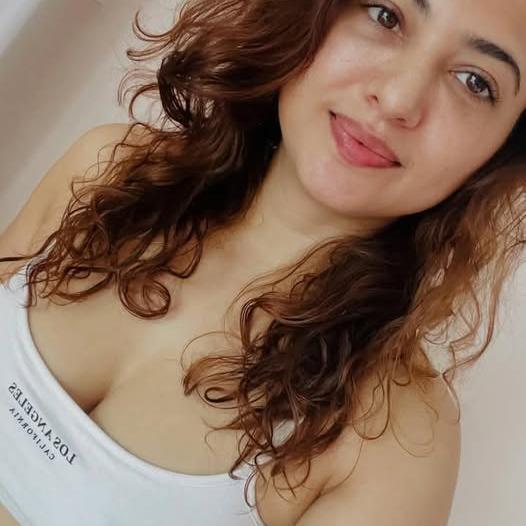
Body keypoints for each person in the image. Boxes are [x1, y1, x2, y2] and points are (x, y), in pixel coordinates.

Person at [0, 0, 524, 524]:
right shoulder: (104, 174)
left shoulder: (397, 440)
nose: (397, 99)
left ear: (502, 155)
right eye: (386, 16)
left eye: (475, 82)